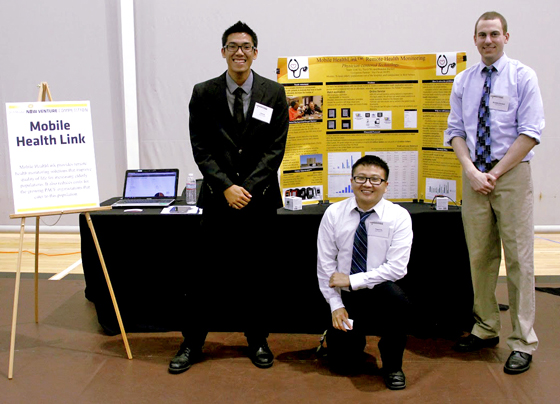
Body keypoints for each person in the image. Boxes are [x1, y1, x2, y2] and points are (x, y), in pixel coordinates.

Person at [169, 21, 289, 374]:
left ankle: (258, 341)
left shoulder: (274, 93)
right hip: (218, 199)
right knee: (205, 275)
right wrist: (225, 187)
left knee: (257, 275)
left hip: (260, 199)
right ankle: (191, 343)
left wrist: (246, 188)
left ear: (255, 52)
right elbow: (200, 148)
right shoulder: (203, 92)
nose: (240, 52)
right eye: (233, 46)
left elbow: (275, 149)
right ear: (223, 51)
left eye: (246, 46)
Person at [445, 11, 544, 375]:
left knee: (519, 260)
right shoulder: (463, 81)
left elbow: (531, 131)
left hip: (512, 176)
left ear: (506, 36)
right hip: (474, 180)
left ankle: (522, 341)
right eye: (481, 35)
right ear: (474, 40)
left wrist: (495, 172)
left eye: (493, 34)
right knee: (480, 258)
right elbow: (455, 131)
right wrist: (472, 172)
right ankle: (486, 327)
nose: (487, 41)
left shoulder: (522, 77)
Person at [317, 155, 413, 390]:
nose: (367, 184)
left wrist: (353, 279)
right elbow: (325, 265)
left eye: (375, 179)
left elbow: (398, 268)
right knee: (343, 367)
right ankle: (347, 340)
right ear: (351, 181)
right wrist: (335, 305)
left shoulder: (398, 216)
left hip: (380, 291)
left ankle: (392, 365)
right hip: (346, 295)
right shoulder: (334, 213)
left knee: (398, 300)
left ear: (385, 185)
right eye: (361, 178)